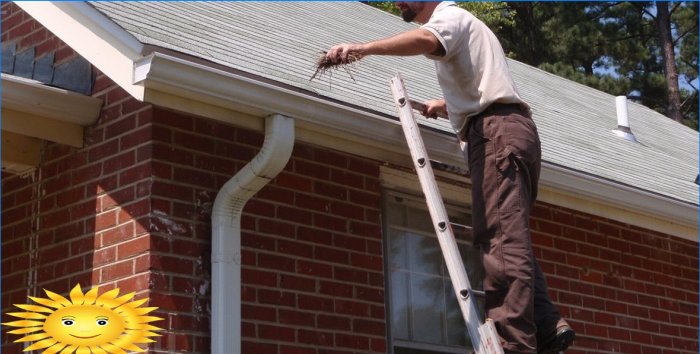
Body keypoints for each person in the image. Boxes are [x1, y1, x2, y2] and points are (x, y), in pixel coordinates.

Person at [325, 2, 575, 353]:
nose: (397, 1)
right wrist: (447, 105)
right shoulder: (469, 28)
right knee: (509, 234)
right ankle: (547, 322)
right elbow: (482, 81)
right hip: (512, 131)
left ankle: (515, 344)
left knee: (500, 239)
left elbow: (427, 40)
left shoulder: (450, 17)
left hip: (495, 134)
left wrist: (363, 48)